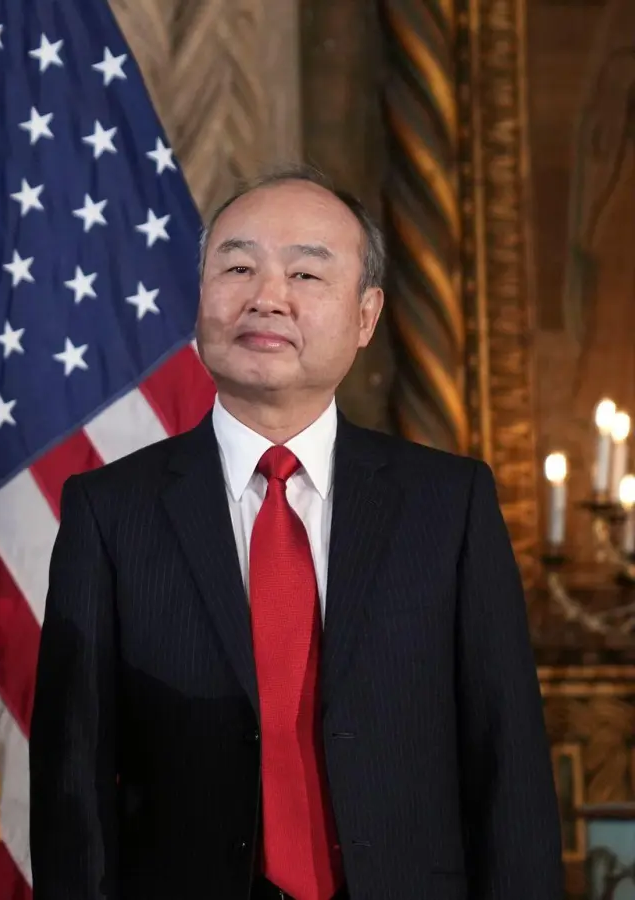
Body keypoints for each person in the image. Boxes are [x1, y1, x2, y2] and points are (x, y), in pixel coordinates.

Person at [29, 167, 563, 899]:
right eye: (238, 266)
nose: (266, 297)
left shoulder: (449, 504)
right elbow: (73, 782)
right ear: (201, 298)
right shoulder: (108, 510)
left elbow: (510, 764)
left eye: (307, 272)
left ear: (366, 315)